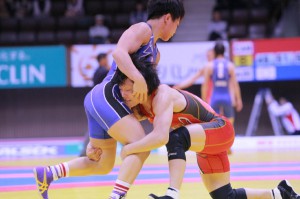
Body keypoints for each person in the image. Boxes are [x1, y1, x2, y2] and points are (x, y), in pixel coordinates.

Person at [33, 1, 185, 199]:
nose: (175, 30)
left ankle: (50, 173)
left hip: (106, 104)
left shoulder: (156, 54)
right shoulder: (142, 30)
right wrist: (138, 78)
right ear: (167, 18)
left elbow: (140, 96)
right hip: (106, 95)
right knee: (142, 143)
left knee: (101, 163)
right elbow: (118, 53)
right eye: (177, 24)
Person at [114, 56, 300, 199]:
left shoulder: (162, 95)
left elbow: (161, 137)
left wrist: (129, 148)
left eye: (129, 90)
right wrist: (98, 146)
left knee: (176, 138)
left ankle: (171, 194)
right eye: (122, 90)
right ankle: (280, 192)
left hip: (220, 129)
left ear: (142, 84)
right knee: (225, 196)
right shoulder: (140, 107)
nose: (125, 95)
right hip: (206, 145)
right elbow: (116, 123)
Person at [202, 41, 243, 125]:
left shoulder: (210, 65)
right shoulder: (230, 65)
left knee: (214, 122)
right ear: (225, 51)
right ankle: (229, 136)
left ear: (214, 52)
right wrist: (239, 99)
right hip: (226, 97)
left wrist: (203, 102)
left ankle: (217, 137)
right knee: (230, 123)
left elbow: (204, 86)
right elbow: (235, 85)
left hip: (215, 97)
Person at [79, 52, 111, 157]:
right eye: (106, 59)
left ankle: (84, 151)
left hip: (96, 102)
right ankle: (84, 152)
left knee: (94, 128)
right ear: (102, 60)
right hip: (100, 103)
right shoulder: (103, 71)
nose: (107, 61)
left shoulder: (98, 71)